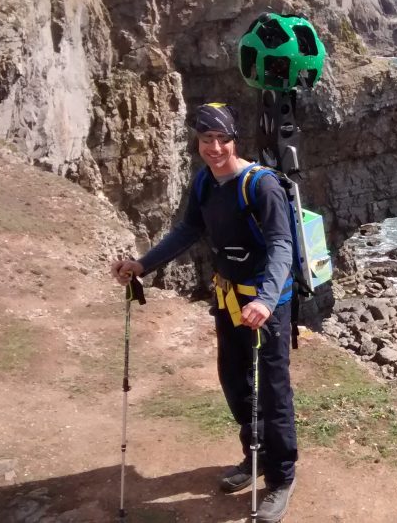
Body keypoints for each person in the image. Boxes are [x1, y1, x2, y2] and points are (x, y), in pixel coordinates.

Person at [110, 103, 297, 523]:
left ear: (235, 140)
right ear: (197, 143)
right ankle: (258, 455)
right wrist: (144, 264)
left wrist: (266, 300)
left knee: (273, 389)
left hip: (268, 306)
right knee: (234, 381)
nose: (214, 148)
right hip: (230, 298)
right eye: (206, 140)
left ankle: (281, 478)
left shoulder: (261, 186)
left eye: (222, 139)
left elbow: (281, 245)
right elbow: (188, 230)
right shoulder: (204, 183)